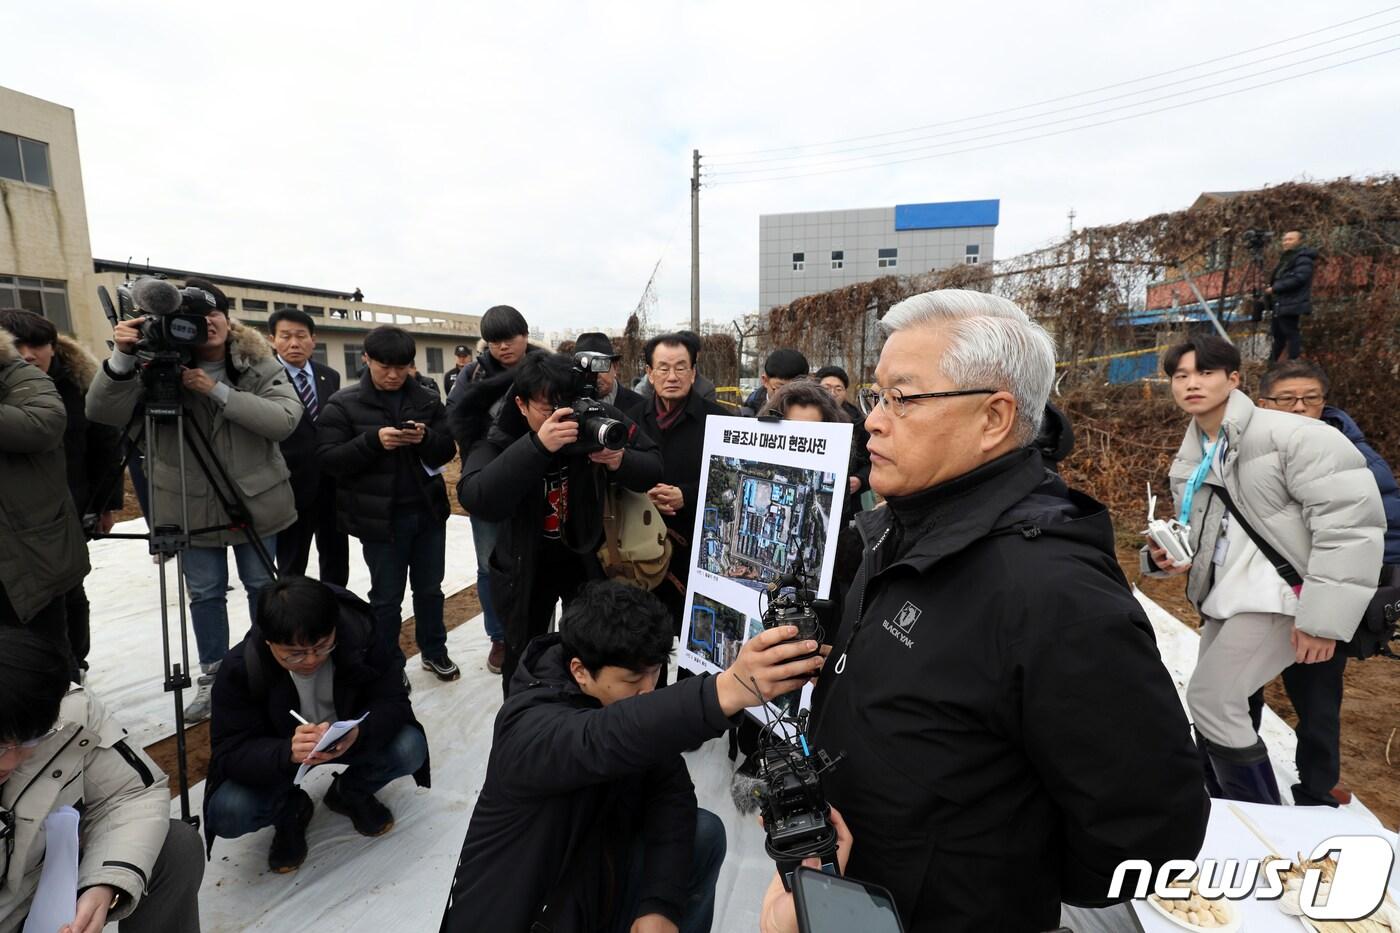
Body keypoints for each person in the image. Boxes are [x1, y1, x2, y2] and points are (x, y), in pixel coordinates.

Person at [789, 290, 1207, 932]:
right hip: (854, 888)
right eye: (875, 397)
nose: (870, 421)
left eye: (902, 399)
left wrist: (993, 881)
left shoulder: (1052, 594)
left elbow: (1147, 826)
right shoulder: (893, 527)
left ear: (993, 419)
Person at [440, 580, 825, 933]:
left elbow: (671, 795)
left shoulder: (627, 711)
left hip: (594, 880)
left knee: (702, 833)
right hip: (527, 913)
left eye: (655, 674)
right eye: (631, 679)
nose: (647, 691)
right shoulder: (528, 729)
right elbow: (603, 738)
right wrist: (725, 690)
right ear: (580, 672)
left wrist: (660, 905)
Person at [1144, 335, 1382, 806]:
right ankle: (1224, 808)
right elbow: (1207, 533)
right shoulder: (1195, 450)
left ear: (1234, 379)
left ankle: (1261, 816)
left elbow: (1350, 529)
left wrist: (1321, 620)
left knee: (1214, 701)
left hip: (1280, 598)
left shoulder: (1297, 436)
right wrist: (1161, 558)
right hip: (1226, 600)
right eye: (1181, 375)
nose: (1192, 384)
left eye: (1206, 372)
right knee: (1210, 701)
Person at [87, 278, 300, 722]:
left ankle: (270, 668)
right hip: (187, 503)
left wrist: (215, 390)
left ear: (227, 318)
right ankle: (216, 678)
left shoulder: (258, 363)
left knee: (264, 589)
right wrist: (122, 357)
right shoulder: (151, 363)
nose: (207, 323)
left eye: (214, 313)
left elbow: (283, 420)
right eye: (194, 317)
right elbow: (102, 413)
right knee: (204, 593)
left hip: (254, 502)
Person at [458, 351, 663, 693]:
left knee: (591, 650)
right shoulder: (502, 432)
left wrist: (620, 461)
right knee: (523, 655)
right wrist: (537, 446)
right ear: (522, 405)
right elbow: (476, 497)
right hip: (525, 565)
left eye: (567, 403)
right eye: (547, 409)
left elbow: (654, 465)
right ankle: (525, 724)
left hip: (586, 558)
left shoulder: (592, 415)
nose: (563, 416)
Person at [1246, 359, 1400, 806]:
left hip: (1318, 599)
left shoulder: (1354, 456)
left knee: (1318, 699)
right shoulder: (1241, 449)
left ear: (1324, 403)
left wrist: (1372, 595)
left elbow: (1386, 527)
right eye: (1287, 399)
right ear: (1263, 404)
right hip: (1253, 595)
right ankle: (1232, 776)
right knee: (1237, 692)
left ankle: (1318, 785)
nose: (1300, 408)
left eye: (1310, 399)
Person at [204, 576, 429, 872]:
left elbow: (394, 701)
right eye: (294, 654)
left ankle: (350, 793)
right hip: (285, 756)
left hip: (347, 739)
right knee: (229, 811)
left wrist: (360, 732)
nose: (311, 660)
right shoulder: (242, 668)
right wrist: (286, 752)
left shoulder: (361, 636)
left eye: (323, 646)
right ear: (270, 642)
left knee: (409, 748)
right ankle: (290, 810)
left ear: (334, 628)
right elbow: (230, 751)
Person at [0, 628, 204, 933]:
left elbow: (129, 794)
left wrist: (106, 883)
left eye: (32, 740)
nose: (12, 760)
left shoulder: (65, 711)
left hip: (40, 888)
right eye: (1, 746)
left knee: (175, 846)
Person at [317, 326, 460, 681]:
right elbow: (328, 460)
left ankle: (434, 650)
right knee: (385, 599)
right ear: (366, 359)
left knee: (430, 589)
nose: (394, 375)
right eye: (385, 367)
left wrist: (425, 437)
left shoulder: (426, 398)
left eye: (402, 367)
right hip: (380, 520)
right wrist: (372, 442)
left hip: (427, 513)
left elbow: (447, 450)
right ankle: (388, 663)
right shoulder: (343, 403)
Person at [0, 309, 121, 676]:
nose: (27, 354)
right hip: (24, 514)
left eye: (36, 344)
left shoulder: (76, 385)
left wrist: (106, 505)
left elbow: (105, 447)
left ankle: (75, 663)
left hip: (75, 502)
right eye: (17, 344)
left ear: (53, 346)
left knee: (69, 591)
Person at [446, 305, 546, 674]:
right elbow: (457, 417)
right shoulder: (472, 374)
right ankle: (499, 637)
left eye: (510, 338)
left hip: (538, 473)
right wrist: (478, 455)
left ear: (525, 334)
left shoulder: (547, 367)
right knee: (490, 564)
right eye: (495, 341)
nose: (504, 347)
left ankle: (540, 634)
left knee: (541, 558)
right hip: (489, 474)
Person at [635, 334, 728, 640]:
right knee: (645, 644)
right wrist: (643, 499)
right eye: (662, 368)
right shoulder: (631, 420)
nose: (671, 376)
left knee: (697, 641)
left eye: (680, 367)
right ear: (649, 373)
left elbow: (732, 484)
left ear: (694, 372)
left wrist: (685, 495)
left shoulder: (721, 421)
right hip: (642, 553)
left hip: (701, 552)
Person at [267, 307, 348, 586]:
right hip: (289, 487)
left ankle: (336, 611)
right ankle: (293, 622)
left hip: (332, 486)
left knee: (336, 557)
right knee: (291, 561)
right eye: (286, 336)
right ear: (272, 340)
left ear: (313, 339)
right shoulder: (262, 378)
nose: (294, 343)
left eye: (301, 336)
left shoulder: (330, 376)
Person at [813, 365, 871, 517]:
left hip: (848, 505)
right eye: (827, 388)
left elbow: (871, 462)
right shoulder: (804, 416)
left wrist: (860, 480)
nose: (832, 393)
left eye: (839, 389)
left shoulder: (859, 423)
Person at [1266, 229, 1317, 361]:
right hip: (1280, 303)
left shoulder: (1303, 259)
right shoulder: (1286, 258)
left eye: (1290, 239)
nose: (1286, 242)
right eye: (1285, 239)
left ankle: (1293, 361)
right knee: (1278, 336)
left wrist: (1275, 288)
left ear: (1299, 241)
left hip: (1291, 303)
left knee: (1290, 333)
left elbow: (1299, 278)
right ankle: (1272, 364)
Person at [575, 331, 646, 421]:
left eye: (600, 366)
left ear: (615, 367)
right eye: (585, 368)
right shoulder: (564, 404)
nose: (594, 375)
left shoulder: (639, 406)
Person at [635, 331, 719, 405]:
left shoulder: (706, 388)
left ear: (696, 355)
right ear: (650, 373)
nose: (672, 377)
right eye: (664, 369)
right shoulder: (646, 388)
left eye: (680, 369)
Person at [742, 348, 808, 416]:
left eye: (796, 389)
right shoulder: (747, 414)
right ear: (765, 381)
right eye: (781, 388)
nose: (789, 396)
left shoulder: (815, 411)